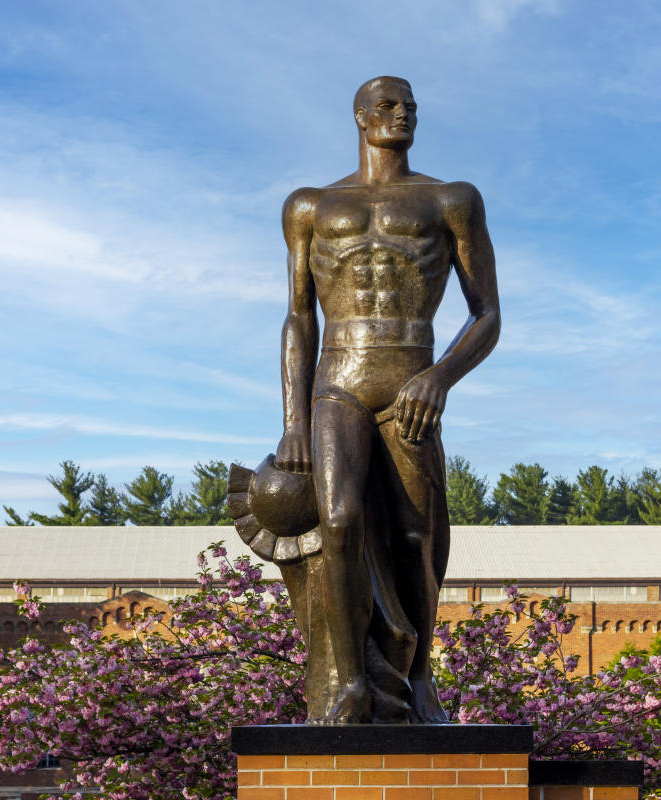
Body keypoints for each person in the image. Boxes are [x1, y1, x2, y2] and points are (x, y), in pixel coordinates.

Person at [275, 76, 500, 724]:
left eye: (409, 108)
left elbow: (486, 315)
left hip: (409, 381)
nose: (400, 115)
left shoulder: (450, 200)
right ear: (359, 117)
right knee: (339, 520)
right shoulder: (310, 205)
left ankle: (421, 677)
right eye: (387, 106)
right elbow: (297, 318)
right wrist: (294, 420)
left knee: (416, 538)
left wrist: (441, 377)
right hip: (338, 380)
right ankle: (347, 680)